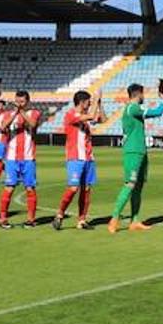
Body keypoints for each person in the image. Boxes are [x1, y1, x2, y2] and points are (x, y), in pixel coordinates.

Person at [109, 79, 163, 233]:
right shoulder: (132, 108)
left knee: (138, 187)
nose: (144, 96)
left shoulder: (134, 108)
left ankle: (134, 221)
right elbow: (157, 112)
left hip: (141, 151)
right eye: (143, 93)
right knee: (130, 184)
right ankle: (114, 219)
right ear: (138, 94)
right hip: (133, 152)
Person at [58, 89, 104, 230]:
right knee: (73, 188)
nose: (90, 104)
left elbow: (102, 119)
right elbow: (91, 116)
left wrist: (99, 103)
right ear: (82, 102)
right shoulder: (71, 114)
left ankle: (82, 220)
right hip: (75, 157)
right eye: (88, 102)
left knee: (86, 189)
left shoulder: (85, 116)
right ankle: (60, 214)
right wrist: (96, 100)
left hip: (89, 157)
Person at [0, 91, 43, 229]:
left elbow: (33, 124)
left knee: (30, 188)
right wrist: (15, 113)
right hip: (12, 158)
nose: (19, 104)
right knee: (9, 188)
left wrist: (21, 111)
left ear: (28, 102)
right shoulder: (8, 114)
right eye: (17, 101)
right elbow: (3, 126)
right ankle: (3, 219)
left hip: (28, 158)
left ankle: (31, 219)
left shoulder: (33, 113)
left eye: (22, 102)